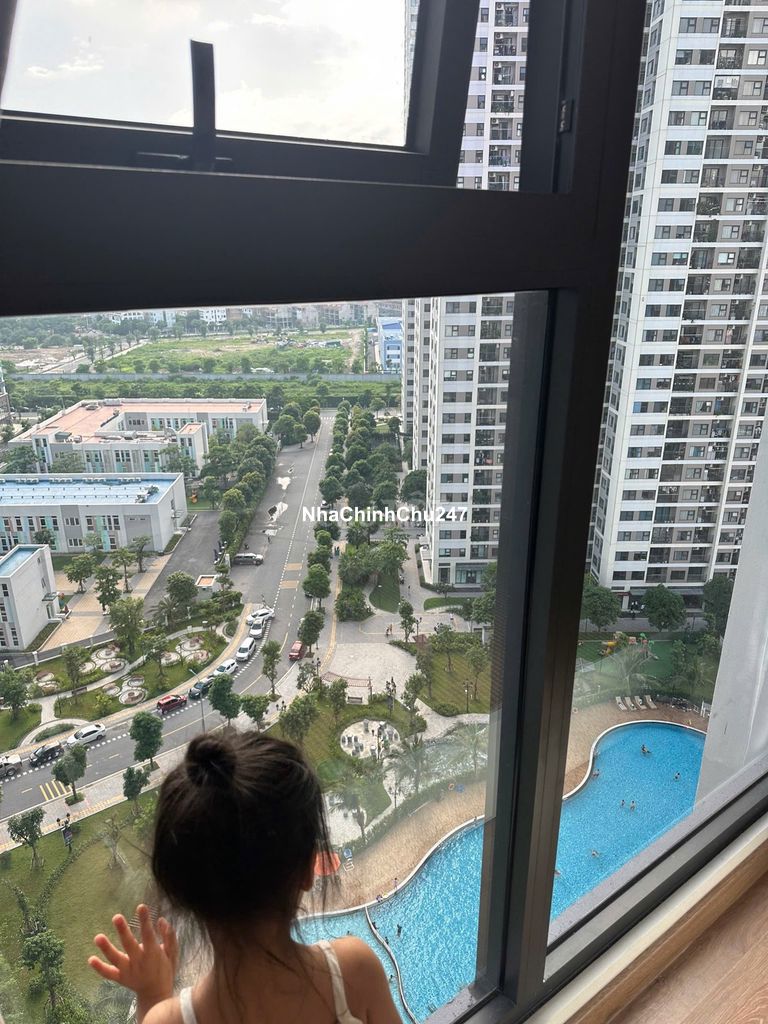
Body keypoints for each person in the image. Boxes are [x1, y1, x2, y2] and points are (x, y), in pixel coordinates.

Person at [88, 731, 401, 1024]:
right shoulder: (353, 974)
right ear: (308, 869)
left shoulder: (169, 1020)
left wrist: (153, 995)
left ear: (180, 892)